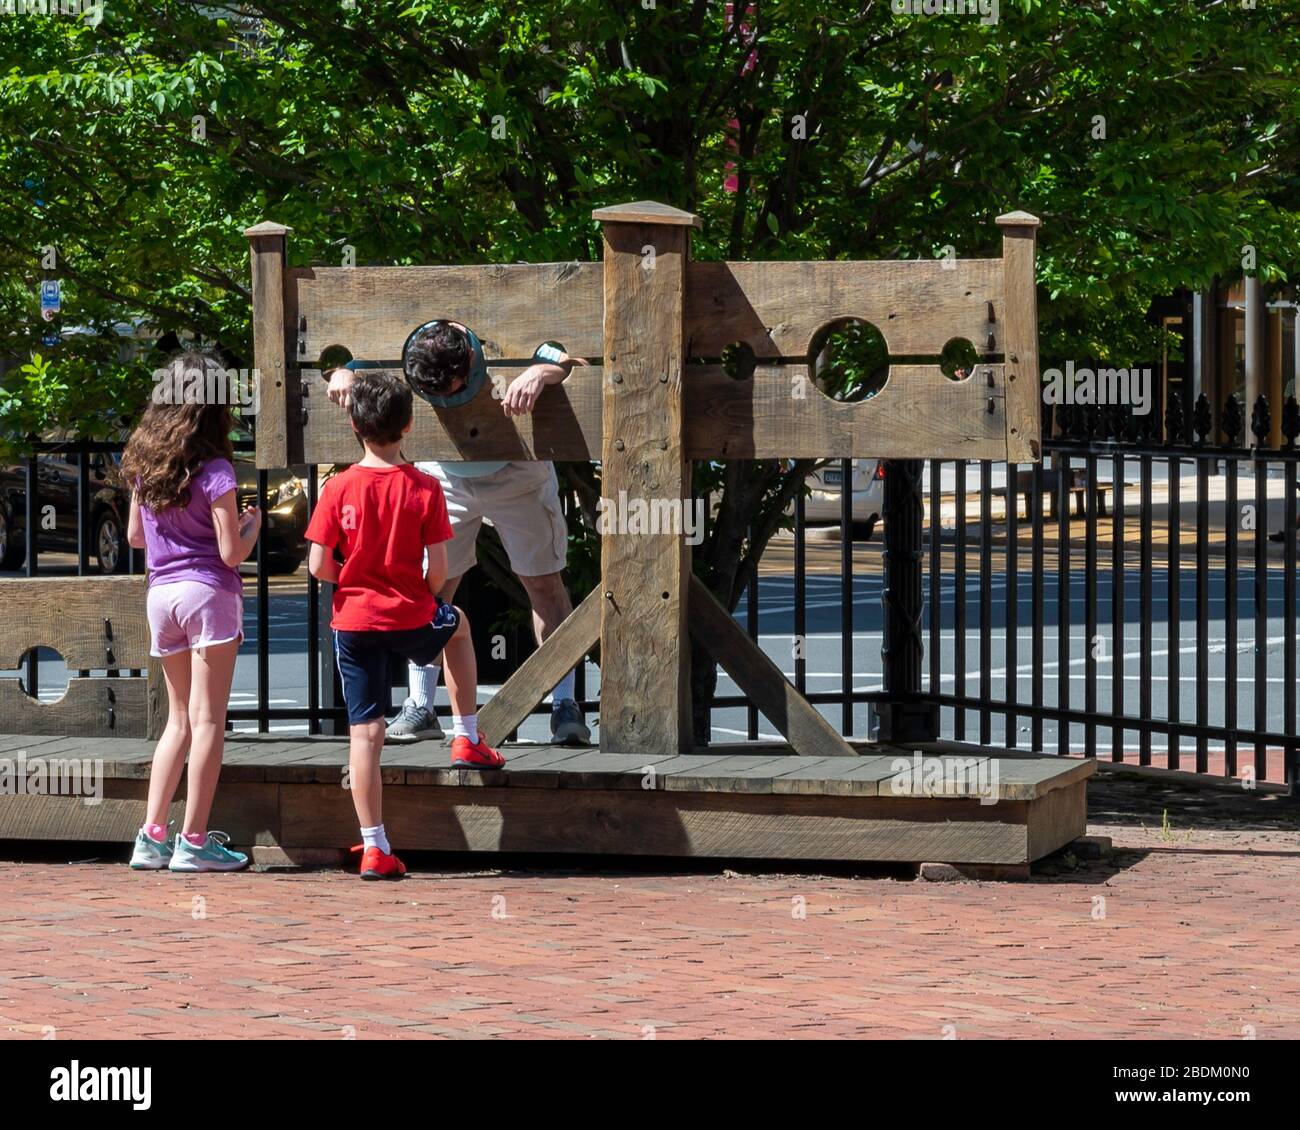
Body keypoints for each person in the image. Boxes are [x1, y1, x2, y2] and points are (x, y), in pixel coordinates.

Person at [326, 321, 592, 746]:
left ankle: (563, 704)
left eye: (456, 390)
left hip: (519, 470)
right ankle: (420, 705)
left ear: (471, 356)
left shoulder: (502, 326)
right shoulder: (410, 338)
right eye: (437, 397)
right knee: (430, 589)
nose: (449, 403)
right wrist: (341, 371)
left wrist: (545, 371)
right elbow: (350, 356)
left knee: (544, 585)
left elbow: (567, 354)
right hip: (444, 473)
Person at [306, 369, 502, 880]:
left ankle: (374, 846)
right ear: (410, 424)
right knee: (457, 624)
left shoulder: (338, 487)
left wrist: (351, 579)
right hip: (411, 613)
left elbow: (317, 565)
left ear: (353, 422)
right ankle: (466, 734)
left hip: (353, 621)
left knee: (366, 733)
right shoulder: (424, 487)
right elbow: (439, 568)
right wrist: (425, 599)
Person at [122, 350, 260, 873]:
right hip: (207, 594)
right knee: (208, 722)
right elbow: (230, 553)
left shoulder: (142, 460)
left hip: (161, 596)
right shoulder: (217, 469)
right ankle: (195, 840)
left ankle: (151, 835)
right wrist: (252, 527)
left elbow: (136, 536)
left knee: (176, 722)